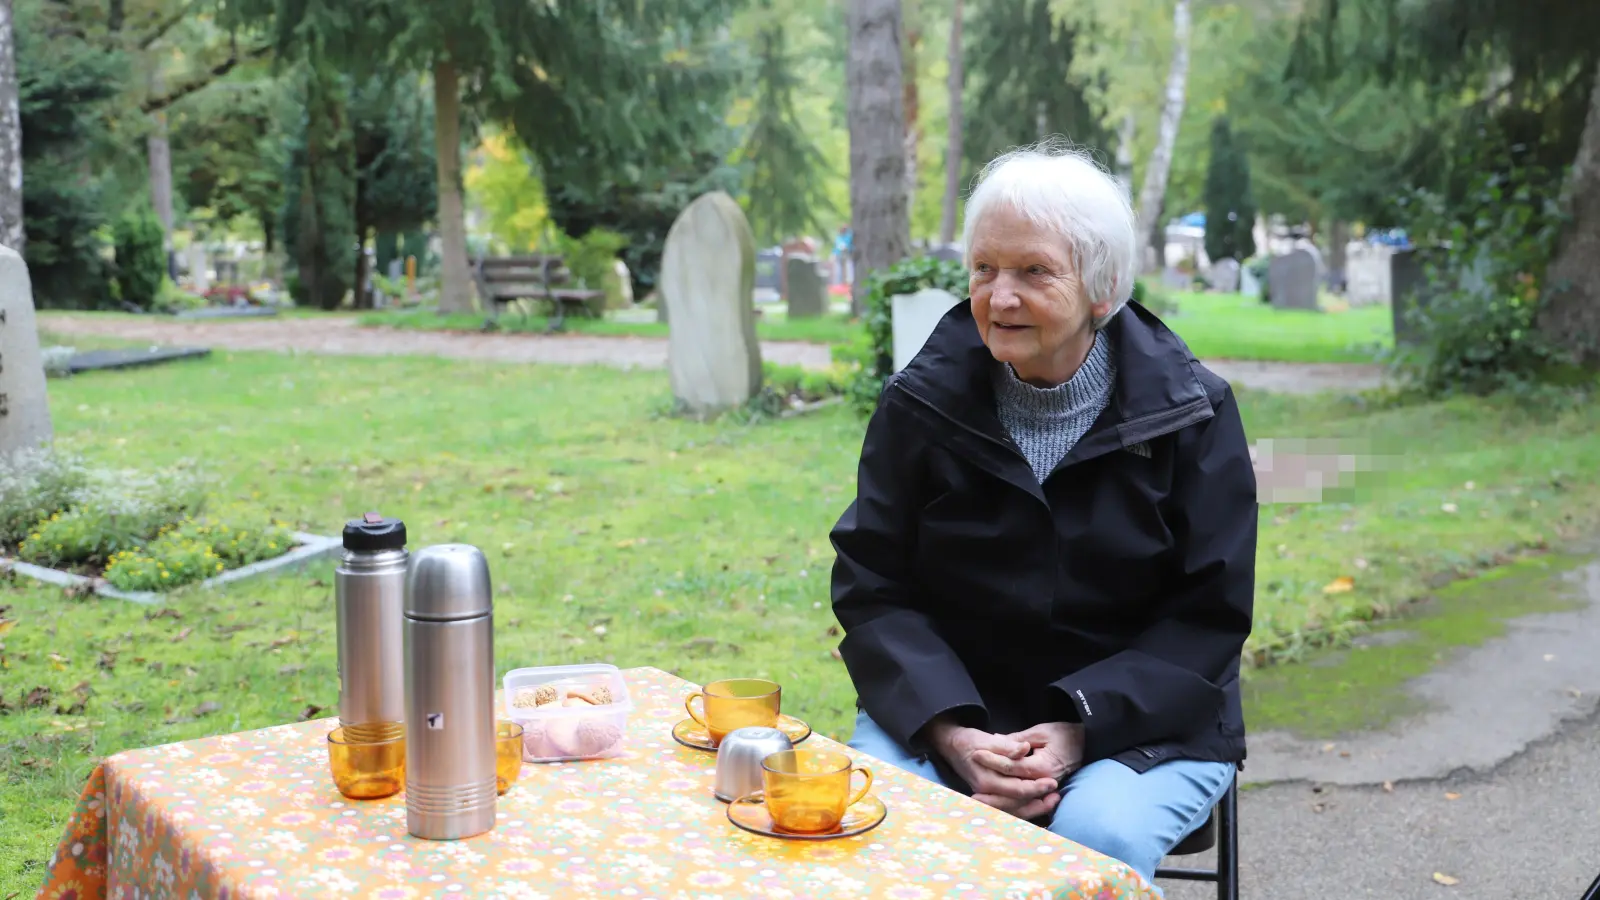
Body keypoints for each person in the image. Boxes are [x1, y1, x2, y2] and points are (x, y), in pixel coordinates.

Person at [828, 141, 1257, 890]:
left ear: (1103, 289)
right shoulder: (919, 405)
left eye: (1033, 271)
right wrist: (953, 733)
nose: (998, 299)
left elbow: (1208, 616)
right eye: (984, 269)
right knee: (890, 823)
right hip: (949, 707)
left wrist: (1077, 729)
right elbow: (873, 587)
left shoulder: (1191, 412)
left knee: (1091, 841)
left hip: (1139, 725)